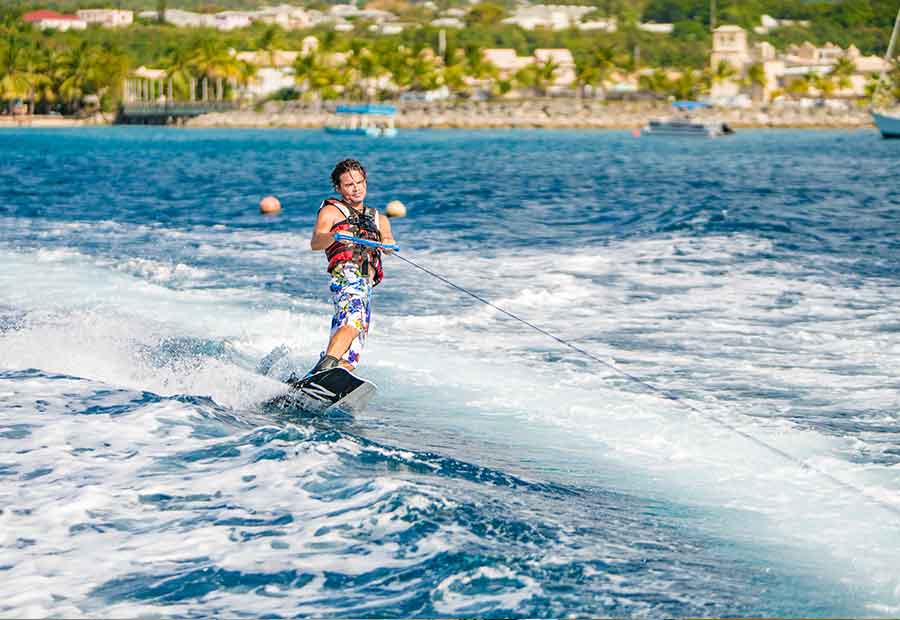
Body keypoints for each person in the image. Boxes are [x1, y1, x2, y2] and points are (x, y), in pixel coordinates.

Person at [307, 159, 396, 375]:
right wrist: (334, 236)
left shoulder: (379, 218)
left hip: (366, 283)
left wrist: (388, 245)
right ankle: (324, 371)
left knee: (353, 351)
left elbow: (388, 241)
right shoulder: (331, 212)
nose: (356, 188)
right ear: (339, 188)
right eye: (349, 184)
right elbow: (315, 243)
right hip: (347, 274)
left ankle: (325, 378)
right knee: (352, 323)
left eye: (360, 182)